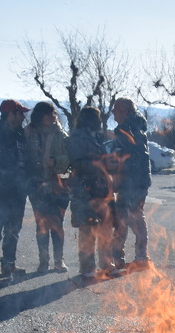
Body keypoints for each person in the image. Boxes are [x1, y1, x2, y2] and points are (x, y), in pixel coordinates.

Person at [0, 99, 30, 279]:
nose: (24, 116)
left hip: (19, 189)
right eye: (20, 113)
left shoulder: (20, 133)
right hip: (1, 189)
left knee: (13, 228)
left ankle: (9, 265)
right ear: (11, 113)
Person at [67, 106, 115, 282]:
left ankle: (106, 264)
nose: (100, 122)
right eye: (97, 118)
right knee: (87, 228)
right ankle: (87, 267)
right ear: (89, 119)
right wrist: (99, 163)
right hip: (84, 189)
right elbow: (78, 163)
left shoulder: (96, 137)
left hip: (100, 188)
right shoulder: (77, 138)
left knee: (105, 226)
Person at [24, 102, 70, 273]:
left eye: (54, 114)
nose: (53, 117)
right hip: (36, 185)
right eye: (49, 114)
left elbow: (69, 159)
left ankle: (59, 261)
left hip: (58, 185)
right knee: (41, 225)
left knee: (57, 224)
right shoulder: (28, 133)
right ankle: (43, 261)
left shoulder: (61, 135)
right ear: (40, 115)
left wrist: (56, 162)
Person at [108, 97, 151, 271]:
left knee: (126, 219)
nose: (113, 113)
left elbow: (124, 158)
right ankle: (138, 257)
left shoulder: (126, 130)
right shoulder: (137, 128)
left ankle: (122, 258)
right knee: (133, 217)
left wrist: (116, 172)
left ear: (125, 112)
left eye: (116, 109)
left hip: (131, 182)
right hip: (138, 182)